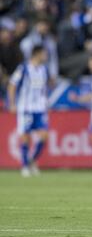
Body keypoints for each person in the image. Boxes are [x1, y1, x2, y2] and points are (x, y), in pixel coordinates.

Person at [8, 45, 49, 177]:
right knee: (25, 137)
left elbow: (44, 89)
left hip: (40, 109)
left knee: (44, 136)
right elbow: (12, 85)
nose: (46, 56)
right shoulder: (23, 68)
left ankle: (31, 161)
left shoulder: (44, 69)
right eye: (44, 54)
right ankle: (25, 167)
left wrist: (45, 101)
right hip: (25, 108)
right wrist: (12, 103)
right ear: (37, 54)